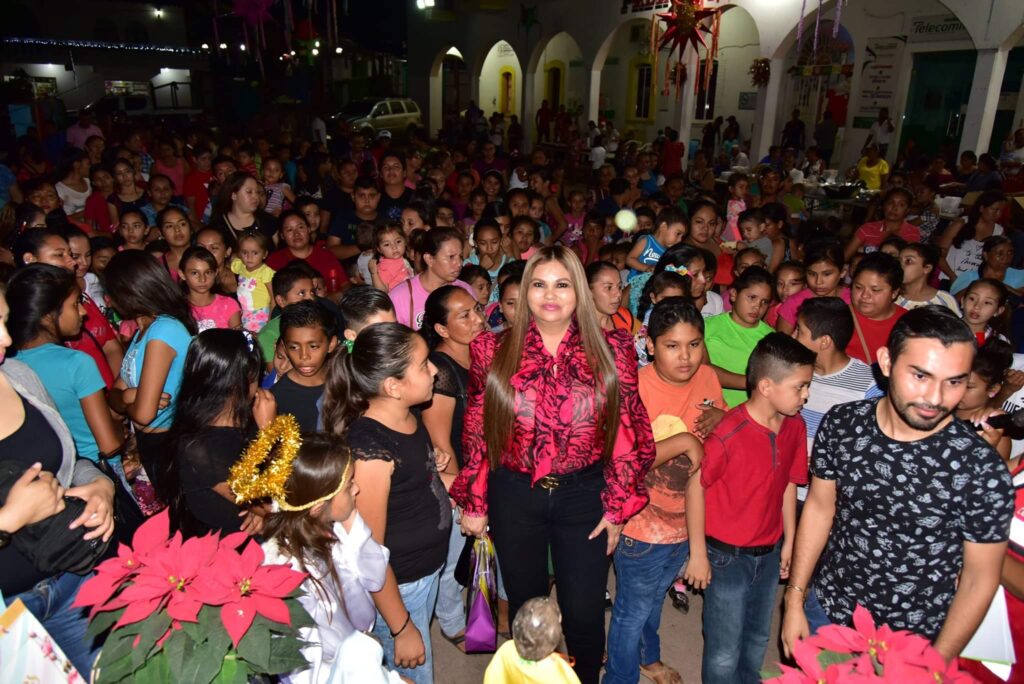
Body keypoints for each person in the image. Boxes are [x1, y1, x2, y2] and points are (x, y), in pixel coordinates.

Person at [451, 246, 656, 684]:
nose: (550, 295)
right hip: (514, 494)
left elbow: (629, 428)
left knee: (583, 616)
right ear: (525, 292)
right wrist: (475, 500)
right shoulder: (491, 348)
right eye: (539, 284)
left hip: (584, 495)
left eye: (562, 284)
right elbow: (478, 430)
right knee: (527, 612)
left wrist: (618, 505)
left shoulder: (613, 349)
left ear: (578, 291)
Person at [781, 306, 1015, 660]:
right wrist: (795, 597)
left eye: (954, 382)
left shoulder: (980, 470)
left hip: (914, 642)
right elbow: (819, 506)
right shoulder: (844, 425)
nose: (936, 398)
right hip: (826, 609)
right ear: (886, 362)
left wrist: (934, 665)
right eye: (920, 376)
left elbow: (979, 580)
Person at [321, 323, 451, 684]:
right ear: (393, 386)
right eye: (424, 365)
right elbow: (369, 552)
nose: (435, 370)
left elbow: (418, 483)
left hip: (424, 573)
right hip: (400, 587)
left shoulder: (406, 416)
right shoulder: (371, 452)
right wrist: (401, 626)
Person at [0, 284, 115, 678]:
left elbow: (65, 459)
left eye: (3, 320)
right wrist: (9, 519)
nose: (7, 338)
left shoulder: (17, 374)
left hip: (71, 580)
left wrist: (100, 485)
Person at [684, 333, 812, 684]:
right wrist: (698, 553)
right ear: (767, 386)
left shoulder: (795, 426)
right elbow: (696, 487)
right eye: (800, 387)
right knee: (724, 649)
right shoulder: (728, 432)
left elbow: (789, 483)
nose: (806, 396)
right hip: (727, 557)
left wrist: (789, 541)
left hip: (769, 553)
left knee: (757, 639)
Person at [605, 298, 718, 684]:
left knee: (653, 603)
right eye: (672, 346)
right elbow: (624, 460)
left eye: (694, 344)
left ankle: (648, 658)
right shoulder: (635, 387)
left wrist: (722, 419)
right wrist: (684, 439)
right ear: (650, 345)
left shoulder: (706, 377)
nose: (686, 356)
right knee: (631, 611)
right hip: (642, 526)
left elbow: (712, 448)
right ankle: (619, 678)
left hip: (689, 519)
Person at [241, 425, 404, 683]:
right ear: (317, 508)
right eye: (349, 484)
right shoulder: (287, 578)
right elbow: (308, 672)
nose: (357, 489)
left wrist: (350, 518)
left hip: (357, 644)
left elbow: (374, 576)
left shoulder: (331, 525)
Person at [420, 285, 489, 651]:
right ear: (442, 329)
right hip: (458, 482)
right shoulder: (441, 370)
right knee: (450, 561)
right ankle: (451, 624)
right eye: (464, 315)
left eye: (476, 309)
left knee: (475, 557)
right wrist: (466, 493)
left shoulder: (482, 355)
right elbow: (441, 444)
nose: (478, 319)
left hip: (484, 474)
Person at [7, 264, 124, 475]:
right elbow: (109, 445)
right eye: (75, 303)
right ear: (48, 315)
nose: (83, 311)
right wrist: (120, 425)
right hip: (96, 471)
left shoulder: (9, 366)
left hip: (55, 475)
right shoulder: (77, 363)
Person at [164, 328, 273, 536]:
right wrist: (269, 433)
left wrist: (259, 513)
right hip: (228, 556)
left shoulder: (248, 415)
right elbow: (272, 504)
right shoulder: (200, 447)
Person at [105, 250, 197, 489]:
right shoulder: (141, 333)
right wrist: (127, 397)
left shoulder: (164, 330)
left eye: (111, 292)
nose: (108, 299)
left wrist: (126, 399)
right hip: (150, 441)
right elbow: (114, 399)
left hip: (169, 443)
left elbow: (144, 413)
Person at [791, 297, 881, 503]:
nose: (792, 336)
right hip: (786, 492)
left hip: (830, 501)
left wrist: (823, 463)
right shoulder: (792, 373)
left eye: (800, 331)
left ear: (824, 342)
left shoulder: (869, 386)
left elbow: (872, 451)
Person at [705, 266, 775, 407]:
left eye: (764, 302)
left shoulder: (771, 338)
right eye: (751, 298)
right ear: (733, 295)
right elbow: (702, 369)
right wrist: (754, 383)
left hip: (750, 415)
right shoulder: (707, 327)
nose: (757, 306)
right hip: (708, 408)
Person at [390, 228, 477, 330]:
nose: (459, 264)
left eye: (460, 256)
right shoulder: (400, 296)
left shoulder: (465, 290)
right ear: (429, 259)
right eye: (451, 257)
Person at [271, 301, 338, 432]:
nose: (304, 356)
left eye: (313, 346)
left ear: (331, 344)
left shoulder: (344, 384)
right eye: (294, 347)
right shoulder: (277, 398)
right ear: (284, 347)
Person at [846, 252, 906, 365]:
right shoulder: (837, 318)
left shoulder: (908, 323)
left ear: (894, 293)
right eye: (858, 287)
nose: (864, 295)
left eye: (875, 290)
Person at [267, 210, 346, 294]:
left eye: (300, 227)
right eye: (289, 230)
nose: (296, 234)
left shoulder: (326, 255)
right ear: (282, 235)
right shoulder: (274, 260)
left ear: (309, 229)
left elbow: (345, 285)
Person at [937, 190, 1008, 282]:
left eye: (1001, 211)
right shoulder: (961, 224)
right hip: (949, 278)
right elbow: (939, 254)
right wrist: (953, 277)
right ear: (982, 208)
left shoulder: (998, 231)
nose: (998, 214)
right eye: (994, 210)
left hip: (975, 282)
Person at [256, 265, 318, 366]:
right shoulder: (269, 334)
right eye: (302, 293)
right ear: (281, 301)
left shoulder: (319, 324)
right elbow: (275, 373)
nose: (310, 298)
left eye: (312, 292)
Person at [844, 188, 920, 260]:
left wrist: (864, 250)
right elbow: (845, 256)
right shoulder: (867, 229)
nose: (894, 208)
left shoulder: (912, 232)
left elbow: (909, 261)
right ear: (884, 205)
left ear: (907, 210)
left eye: (901, 204)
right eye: (890, 203)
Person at [180, 246, 242, 332]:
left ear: (215, 273)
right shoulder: (178, 308)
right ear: (182, 274)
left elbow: (238, 342)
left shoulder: (229, 305)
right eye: (194, 273)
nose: (202, 279)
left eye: (208, 272)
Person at [211, 171, 276, 243]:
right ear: (234, 195)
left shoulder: (267, 221)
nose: (256, 197)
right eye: (249, 192)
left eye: (257, 192)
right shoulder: (218, 226)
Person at [950, 235, 1024, 296]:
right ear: (986, 255)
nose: (1006, 258)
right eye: (1000, 254)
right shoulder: (969, 277)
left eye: (1010, 253)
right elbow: (953, 303)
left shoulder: (1020, 275)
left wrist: (1003, 288)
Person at [897, 243, 960, 312]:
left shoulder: (944, 299)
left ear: (927, 268)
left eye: (908, 261)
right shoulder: (890, 295)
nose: (900, 265)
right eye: (898, 260)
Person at [626, 207, 687, 278]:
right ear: (663, 227)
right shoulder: (646, 241)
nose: (680, 240)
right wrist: (646, 268)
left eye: (682, 236)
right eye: (678, 233)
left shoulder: (670, 252)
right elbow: (629, 259)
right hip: (634, 285)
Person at [586, 261, 635, 333]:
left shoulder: (624, 316)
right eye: (609, 287)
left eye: (619, 287)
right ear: (588, 291)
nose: (618, 294)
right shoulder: (577, 330)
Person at [961, 278, 1010, 345]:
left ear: (998, 311)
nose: (977, 306)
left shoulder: (999, 343)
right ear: (963, 301)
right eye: (972, 298)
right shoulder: (944, 329)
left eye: (987, 302)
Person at [370, 222, 415, 292]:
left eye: (398, 241)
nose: (394, 247)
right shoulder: (385, 267)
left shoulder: (403, 257)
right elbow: (382, 291)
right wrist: (374, 273)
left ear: (405, 241)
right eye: (387, 244)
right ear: (379, 249)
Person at [106, 159, 149, 228]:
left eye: (127, 171)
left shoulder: (147, 190)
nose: (125, 176)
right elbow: (116, 226)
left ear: (133, 171)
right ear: (114, 177)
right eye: (119, 173)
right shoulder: (113, 199)